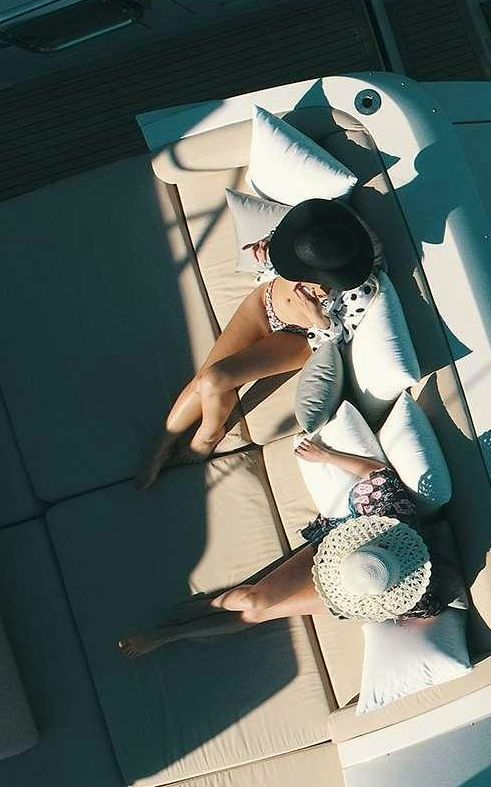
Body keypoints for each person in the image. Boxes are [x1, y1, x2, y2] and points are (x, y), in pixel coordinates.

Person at [118, 440, 457, 657]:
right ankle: (206, 605)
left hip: (352, 591)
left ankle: (171, 635)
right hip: (336, 554)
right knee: (253, 599)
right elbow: (378, 473)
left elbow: (428, 611)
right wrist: (327, 454)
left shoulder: (418, 592)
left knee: (257, 611)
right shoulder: (394, 513)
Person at [136, 198, 380, 489]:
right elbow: (278, 249)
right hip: (263, 303)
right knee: (203, 378)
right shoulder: (308, 237)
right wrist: (265, 252)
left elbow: (341, 339)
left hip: (298, 336)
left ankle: (208, 435)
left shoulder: (360, 290)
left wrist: (319, 319)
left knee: (214, 380)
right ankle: (162, 445)